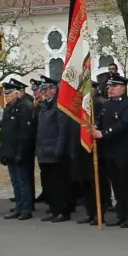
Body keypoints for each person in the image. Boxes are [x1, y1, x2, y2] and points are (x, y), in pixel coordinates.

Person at [93, 73, 128, 226]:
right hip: (110, 150)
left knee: (127, 184)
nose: (110, 89)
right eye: (109, 86)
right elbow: (99, 120)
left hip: (124, 150)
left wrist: (104, 133)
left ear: (123, 87)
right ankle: (121, 214)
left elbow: (124, 124)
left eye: (114, 86)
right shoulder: (107, 104)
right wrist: (94, 127)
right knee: (117, 185)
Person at [36, 81, 76, 221]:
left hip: (55, 151)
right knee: (49, 184)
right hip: (44, 151)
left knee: (60, 183)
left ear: (54, 89)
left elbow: (62, 130)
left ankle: (63, 211)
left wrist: (59, 149)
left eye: (47, 90)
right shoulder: (43, 107)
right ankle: (54, 209)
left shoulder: (59, 106)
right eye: (43, 91)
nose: (44, 93)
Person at [0, 79, 37, 219]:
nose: (6, 96)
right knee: (15, 181)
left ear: (16, 94)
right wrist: (3, 152)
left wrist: (20, 152)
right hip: (10, 150)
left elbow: (25, 133)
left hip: (20, 151)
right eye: (5, 94)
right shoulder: (8, 108)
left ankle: (26, 208)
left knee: (23, 180)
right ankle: (19, 206)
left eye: (9, 94)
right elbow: (4, 133)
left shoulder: (24, 108)